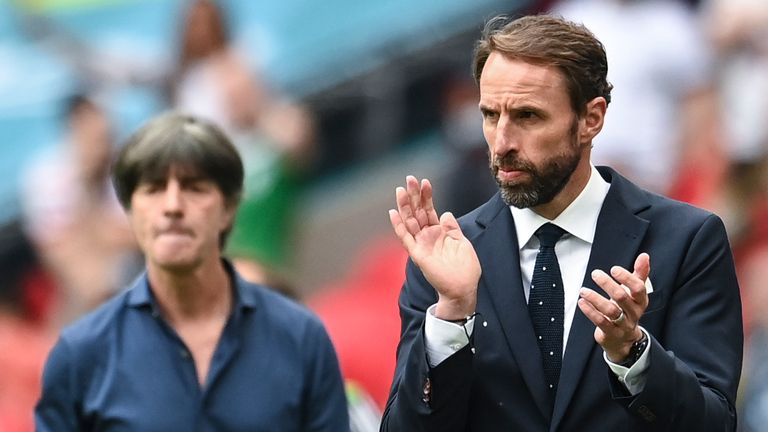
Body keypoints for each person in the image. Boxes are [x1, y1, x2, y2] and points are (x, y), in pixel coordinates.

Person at [381, 14, 742, 431]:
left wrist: (633, 353)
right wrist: (452, 315)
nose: (502, 143)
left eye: (528, 116)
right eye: (490, 115)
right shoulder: (447, 260)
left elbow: (714, 423)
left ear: (591, 119)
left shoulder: (686, 240)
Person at [35, 112, 349, 431]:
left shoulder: (299, 337)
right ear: (130, 213)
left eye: (194, 188)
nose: (172, 205)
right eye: (154, 189)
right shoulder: (80, 358)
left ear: (228, 209)